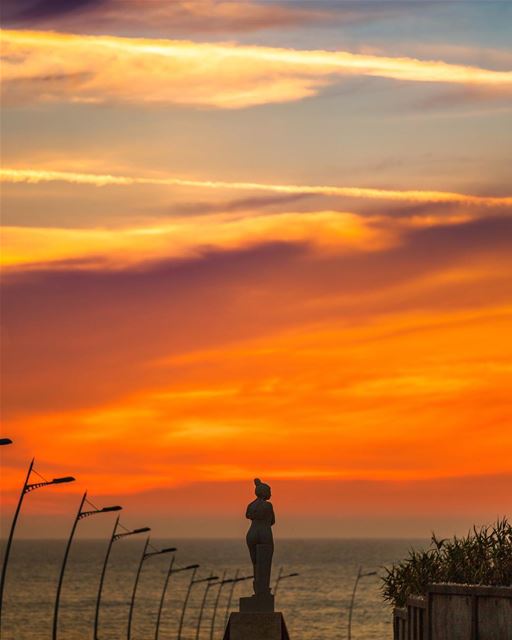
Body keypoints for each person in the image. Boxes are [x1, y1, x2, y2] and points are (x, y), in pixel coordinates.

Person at [246, 478, 275, 595]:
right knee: (265, 562)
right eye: (269, 491)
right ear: (264, 492)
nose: (271, 494)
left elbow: (248, 516)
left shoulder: (250, 505)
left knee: (256, 563)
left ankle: (257, 587)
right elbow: (272, 521)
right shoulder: (268, 505)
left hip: (251, 533)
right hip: (264, 533)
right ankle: (263, 590)